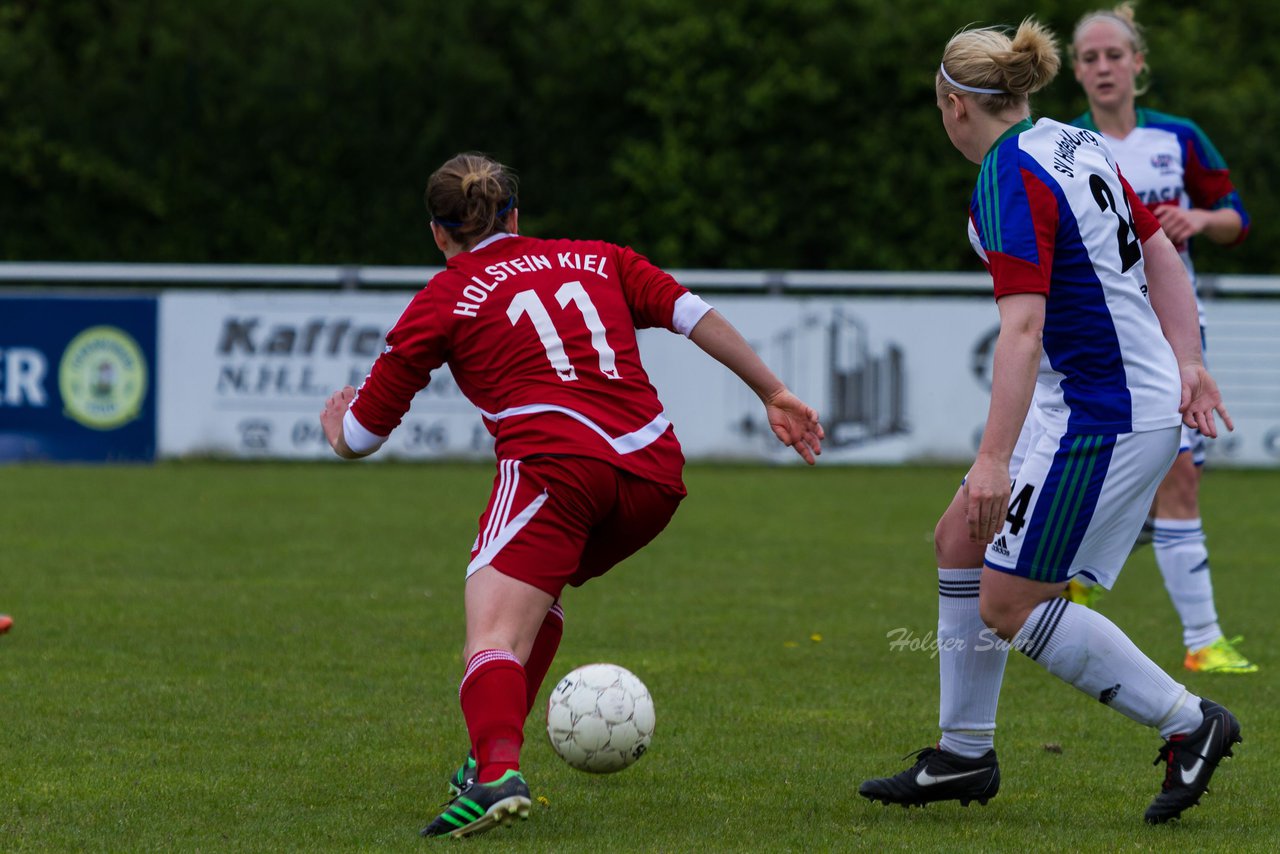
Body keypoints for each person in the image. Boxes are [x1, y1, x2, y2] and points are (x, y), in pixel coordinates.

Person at [319, 152, 824, 839]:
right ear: (515, 218)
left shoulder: (441, 299)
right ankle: (484, 763)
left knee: (492, 634)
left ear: (438, 234)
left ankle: (496, 771)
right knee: (540, 598)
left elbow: (363, 433)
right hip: (652, 476)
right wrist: (773, 390)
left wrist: (335, 429)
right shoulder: (599, 258)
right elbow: (691, 313)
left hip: (556, 469)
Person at [858, 18, 1240, 824]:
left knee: (1009, 603)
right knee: (959, 538)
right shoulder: (1070, 140)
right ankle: (963, 755)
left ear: (955, 104)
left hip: (1105, 414)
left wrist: (993, 460)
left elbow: (1023, 331)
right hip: (1093, 400)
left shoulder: (1008, 174)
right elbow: (1161, 252)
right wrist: (1190, 359)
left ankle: (1191, 723)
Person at [1064, 2, 1256, 675]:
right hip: (1105, 336)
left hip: (1176, 334)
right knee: (1154, 474)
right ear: (1076, 71)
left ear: (1139, 63)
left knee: (1175, 476)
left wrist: (1199, 220)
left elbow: (1239, 219)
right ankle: (1197, 637)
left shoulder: (1178, 138)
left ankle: (1086, 577)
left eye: (1114, 54)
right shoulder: (1067, 145)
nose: (1103, 67)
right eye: (1089, 58)